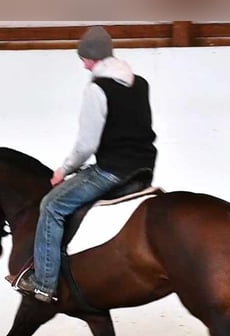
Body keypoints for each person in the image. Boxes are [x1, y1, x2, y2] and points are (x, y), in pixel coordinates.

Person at [14, 25, 157, 303]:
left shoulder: (96, 89)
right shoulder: (140, 83)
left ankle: (44, 284)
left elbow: (86, 145)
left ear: (91, 58)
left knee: (52, 206)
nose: (83, 65)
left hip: (112, 171)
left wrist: (63, 169)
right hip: (144, 168)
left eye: (83, 59)